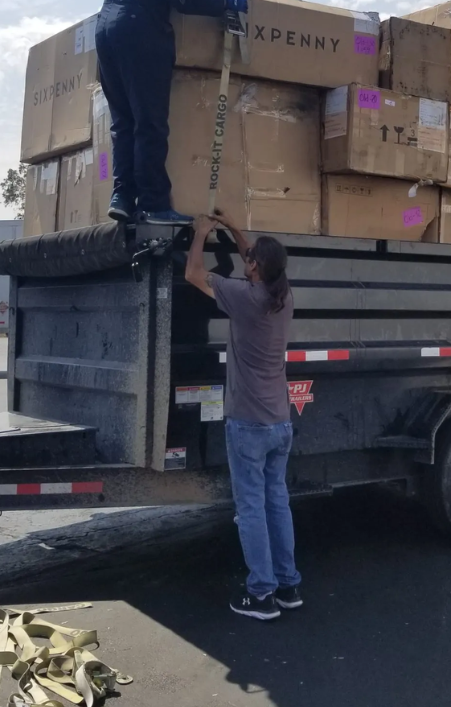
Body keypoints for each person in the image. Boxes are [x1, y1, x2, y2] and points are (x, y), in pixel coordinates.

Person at [95, 0, 248, 225]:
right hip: (140, 32)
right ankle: (153, 204)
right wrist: (225, 2)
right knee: (150, 123)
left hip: (107, 31)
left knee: (124, 124)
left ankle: (122, 197)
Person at [185, 212, 302, 621]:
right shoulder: (282, 297)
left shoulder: (244, 298)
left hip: (248, 423)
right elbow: (254, 258)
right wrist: (235, 229)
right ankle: (288, 585)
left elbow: (193, 274)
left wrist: (201, 234)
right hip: (280, 422)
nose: (245, 260)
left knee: (251, 507)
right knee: (277, 503)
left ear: (254, 269)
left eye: (250, 259)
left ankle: (262, 593)